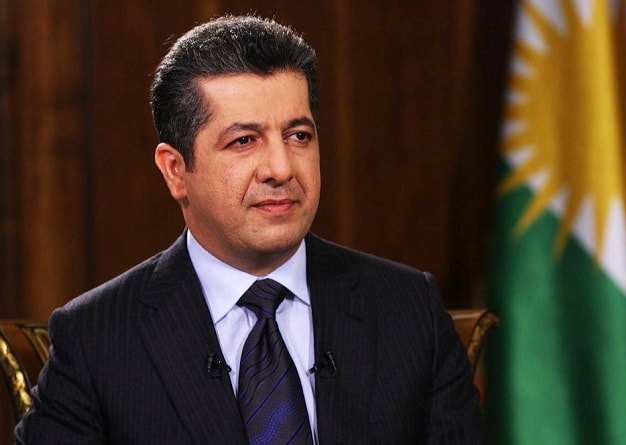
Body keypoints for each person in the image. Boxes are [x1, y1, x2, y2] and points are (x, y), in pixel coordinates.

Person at [14, 14, 486, 445]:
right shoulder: (97, 339)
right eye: (244, 141)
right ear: (176, 171)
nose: (281, 168)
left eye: (299, 136)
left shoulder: (409, 311)